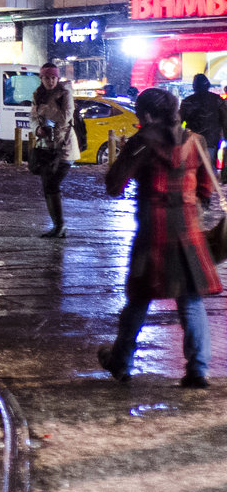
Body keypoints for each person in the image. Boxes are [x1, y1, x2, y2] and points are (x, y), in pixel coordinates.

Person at [98, 87, 217, 388]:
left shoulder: (142, 142)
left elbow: (114, 184)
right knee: (190, 299)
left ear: (148, 115)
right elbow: (206, 187)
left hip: (153, 229)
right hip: (188, 229)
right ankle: (197, 370)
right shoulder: (197, 142)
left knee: (139, 298)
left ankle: (121, 361)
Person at [30, 61, 79, 238]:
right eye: (46, 78)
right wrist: (37, 129)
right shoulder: (38, 94)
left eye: (53, 78)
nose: (50, 81)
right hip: (46, 146)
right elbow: (33, 117)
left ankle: (60, 226)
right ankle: (57, 226)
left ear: (58, 78)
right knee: (47, 185)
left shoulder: (64, 93)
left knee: (52, 183)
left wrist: (45, 108)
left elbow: (65, 117)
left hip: (64, 146)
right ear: (41, 78)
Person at [179, 73, 227, 177]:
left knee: (193, 169)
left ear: (194, 86)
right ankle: (207, 189)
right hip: (211, 140)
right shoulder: (218, 100)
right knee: (208, 169)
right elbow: (225, 120)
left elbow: (179, 121)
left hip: (193, 140)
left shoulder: (188, 102)